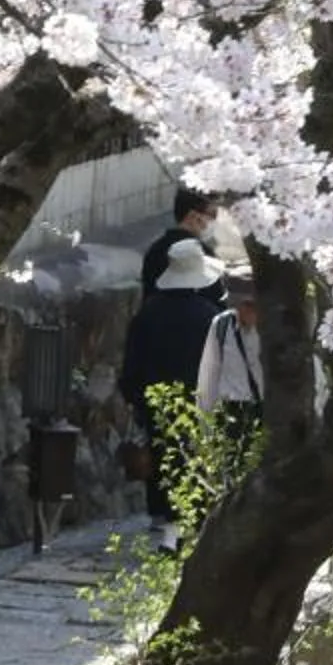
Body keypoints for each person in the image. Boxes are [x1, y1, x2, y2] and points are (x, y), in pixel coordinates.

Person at [121, 238, 225, 523]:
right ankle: (193, 518)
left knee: (161, 454)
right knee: (196, 459)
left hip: (156, 401)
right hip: (201, 401)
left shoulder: (148, 313)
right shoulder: (211, 316)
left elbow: (132, 364)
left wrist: (134, 397)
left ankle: (162, 519)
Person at [195, 264, 267, 436]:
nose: (242, 311)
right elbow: (208, 377)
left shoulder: (278, 330)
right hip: (233, 415)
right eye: (237, 304)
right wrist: (206, 429)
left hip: (270, 412)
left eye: (249, 305)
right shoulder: (221, 325)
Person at [142, 185, 224, 297]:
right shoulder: (200, 254)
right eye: (213, 214)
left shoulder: (155, 249)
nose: (215, 220)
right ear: (194, 217)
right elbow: (216, 297)